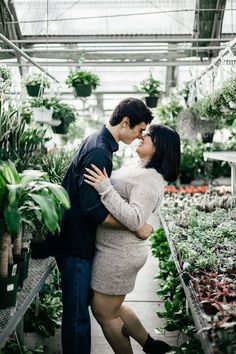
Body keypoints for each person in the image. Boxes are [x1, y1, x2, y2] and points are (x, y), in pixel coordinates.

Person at [53, 98, 154, 354]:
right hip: (76, 243)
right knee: (77, 317)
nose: (140, 136)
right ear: (126, 122)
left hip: (77, 239)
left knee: (84, 310)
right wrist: (134, 226)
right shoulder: (100, 151)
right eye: (140, 130)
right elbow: (92, 209)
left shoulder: (98, 143)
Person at [83, 124, 181, 354]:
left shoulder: (150, 179)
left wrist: (106, 188)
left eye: (149, 135)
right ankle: (151, 346)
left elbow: (136, 218)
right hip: (114, 250)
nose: (142, 136)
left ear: (160, 147)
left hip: (119, 255)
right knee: (113, 307)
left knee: (104, 312)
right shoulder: (140, 167)